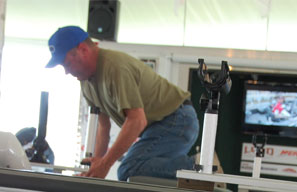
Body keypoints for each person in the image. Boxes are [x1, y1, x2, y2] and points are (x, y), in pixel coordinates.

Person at [45, 26, 199, 180]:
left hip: (177, 120)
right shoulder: (86, 81)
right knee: (139, 172)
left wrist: (105, 164)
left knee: (130, 168)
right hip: (162, 124)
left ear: (83, 49)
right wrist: (94, 169)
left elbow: (137, 121)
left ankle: (199, 167)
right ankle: (193, 169)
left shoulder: (114, 67)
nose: (66, 72)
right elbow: (103, 128)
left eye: (67, 64)